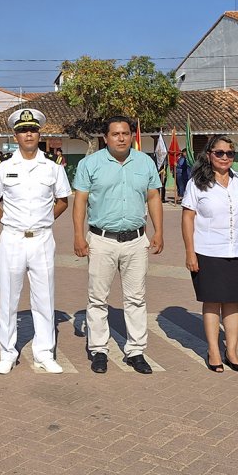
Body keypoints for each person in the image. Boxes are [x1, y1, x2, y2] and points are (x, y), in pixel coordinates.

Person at [73, 116, 164, 375]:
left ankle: (136, 351)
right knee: (98, 299)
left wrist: (159, 232)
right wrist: (78, 236)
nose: (121, 138)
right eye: (115, 134)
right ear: (106, 137)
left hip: (136, 240)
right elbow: (80, 202)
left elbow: (154, 197)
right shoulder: (90, 164)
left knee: (136, 298)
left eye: (125, 133)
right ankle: (99, 350)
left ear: (132, 136)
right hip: (102, 240)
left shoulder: (144, 162)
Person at [0, 108, 71, 374]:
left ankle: (44, 353)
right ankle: (7, 353)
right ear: (16, 135)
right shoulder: (4, 167)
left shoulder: (53, 167)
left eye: (32, 129)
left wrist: (44, 220)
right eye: (23, 130)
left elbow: (63, 201)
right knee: (8, 298)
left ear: (39, 133)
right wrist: (10, 222)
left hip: (42, 239)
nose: (28, 134)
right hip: (12, 239)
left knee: (44, 299)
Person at [181, 135, 238, 373]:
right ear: (209, 155)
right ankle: (214, 351)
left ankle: (232, 351)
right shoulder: (197, 183)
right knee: (212, 301)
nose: (225, 157)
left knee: (233, 302)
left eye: (229, 153)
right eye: (219, 153)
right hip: (208, 251)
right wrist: (190, 252)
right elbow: (188, 217)